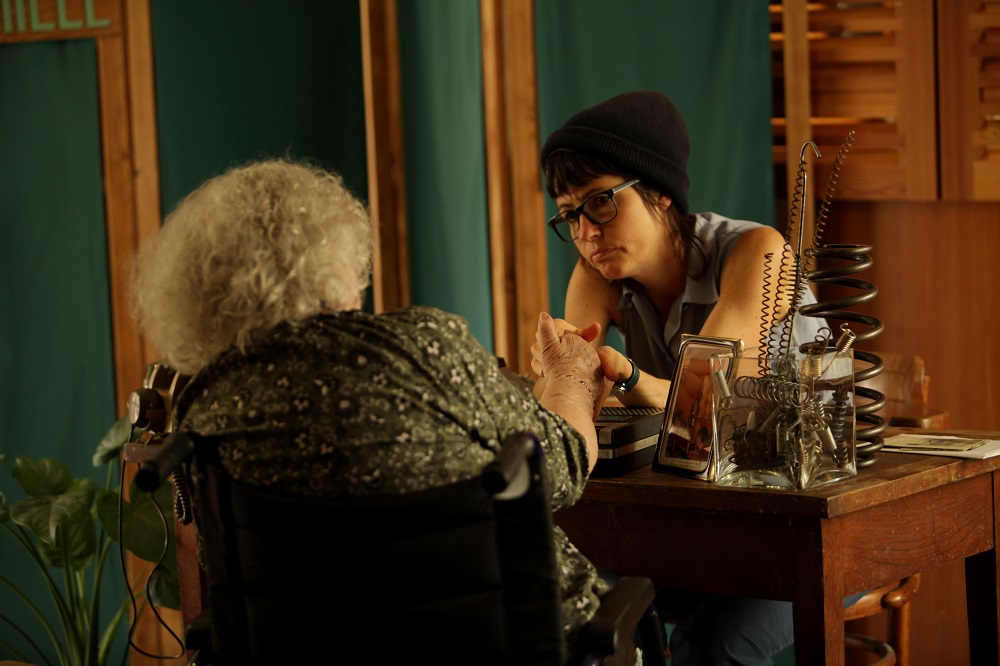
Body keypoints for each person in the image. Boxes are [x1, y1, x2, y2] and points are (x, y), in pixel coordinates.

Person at [130, 158, 618, 659]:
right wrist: (570, 376)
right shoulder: (425, 349)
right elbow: (563, 463)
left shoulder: (204, 411)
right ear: (334, 251)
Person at [533, 90, 856, 665]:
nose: (585, 231)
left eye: (601, 202)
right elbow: (576, 400)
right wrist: (564, 378)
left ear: (660, 193)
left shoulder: (759, 252)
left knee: (711, 648)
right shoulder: (598, 275)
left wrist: (624, 376)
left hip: (813, 518)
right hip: (705, 515)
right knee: (582, 611)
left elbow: (710, 401)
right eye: (569, 214)